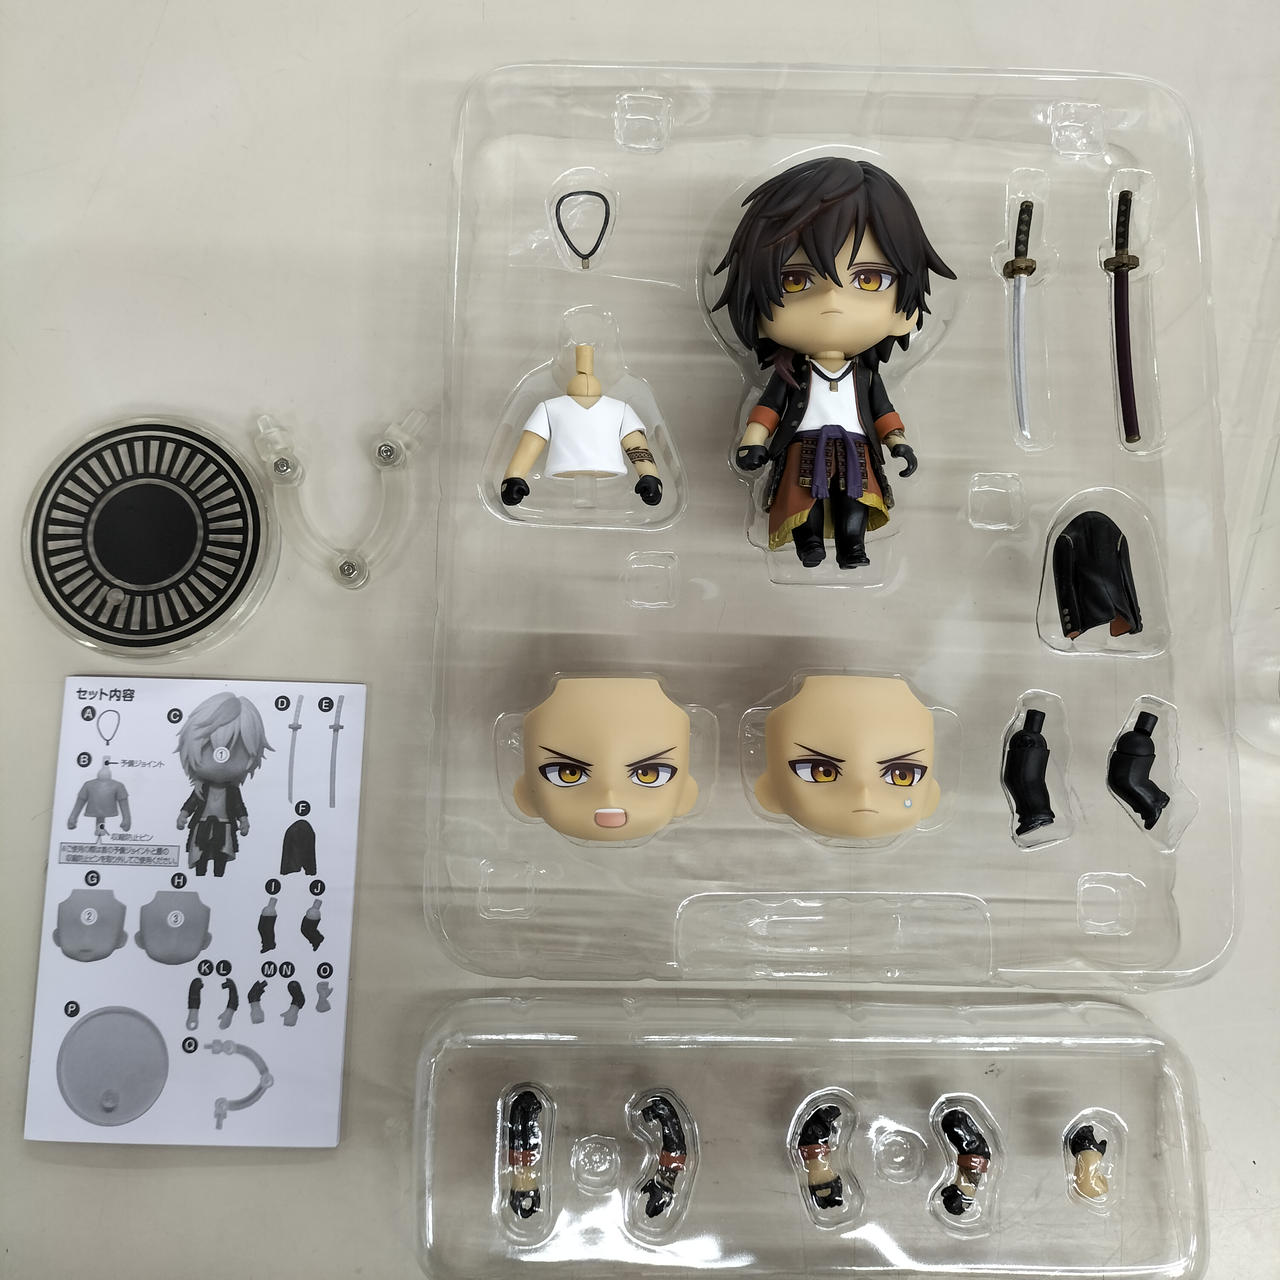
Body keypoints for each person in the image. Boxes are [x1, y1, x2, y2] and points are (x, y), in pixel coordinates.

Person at [714, 157, 954, 569]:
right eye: (795, 280)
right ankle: (808, 544)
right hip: (803, 446)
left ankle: (852, 546)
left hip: (856, 447)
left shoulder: (865, 375)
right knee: (803, 500)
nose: (832, 300)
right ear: (757, 311)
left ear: (906, 314)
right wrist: (752, 442)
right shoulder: (794, 374)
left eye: (869, 279)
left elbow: (882, 410)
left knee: (855, 498)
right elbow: (769, 409)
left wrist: (898, 442)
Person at [175, 692, 271, 876]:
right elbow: (192, 802)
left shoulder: (232, 790)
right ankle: (202, 876)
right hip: (202, 825)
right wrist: (183, 814)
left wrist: (244, 820)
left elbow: (238, 806)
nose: (221, 758)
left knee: (221, 855)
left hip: (225, 827)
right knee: (200, 854)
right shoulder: (202, 788)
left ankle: (219, 877)